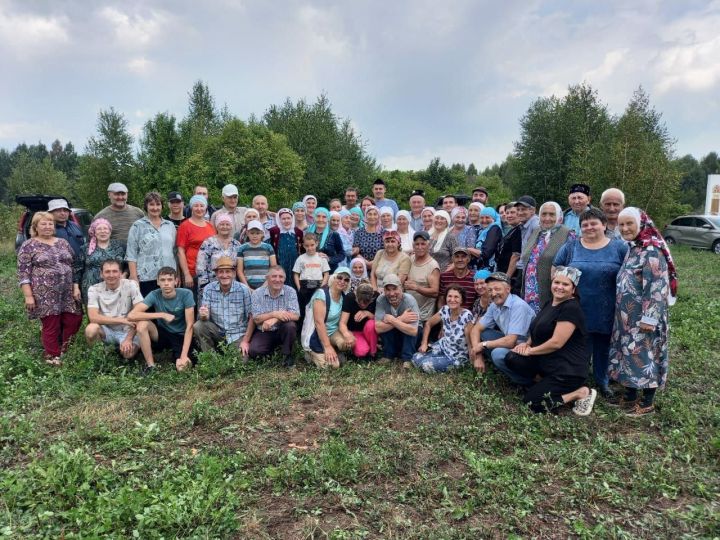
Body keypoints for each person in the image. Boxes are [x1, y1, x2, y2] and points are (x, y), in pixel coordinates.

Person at [608, 208, 677, 417]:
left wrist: (650, 318)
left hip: (643, 318)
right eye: (621, 225)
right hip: (627, 317)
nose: (625, 228)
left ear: (641, 224)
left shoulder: (651, 250)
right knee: (628, 353)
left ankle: (647, 401)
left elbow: (656, 288)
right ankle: (629, 395)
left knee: (646, 356)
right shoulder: (634, 247)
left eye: (629, 223)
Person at [553, 207, 628, 398]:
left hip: (607, 307)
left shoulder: (619, 247)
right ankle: (578, 380)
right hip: (577, 307)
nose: (589, 227)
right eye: (584, 224)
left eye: (593, 223)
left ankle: (602, 381)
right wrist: (561, 292)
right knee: (577, 345)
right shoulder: (571, 247)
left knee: (603, 346)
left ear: (604, 225)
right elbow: (556, 268)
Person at [505, 266, 597, 415]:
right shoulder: (550, 303)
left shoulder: (571, 308)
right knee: (513, 358)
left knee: (531, 402)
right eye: (557, 282)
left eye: (565, 284)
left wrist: (531, 351)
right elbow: (537, 329)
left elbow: (556, 343)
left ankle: (579, 393)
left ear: (573, 289)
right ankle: (543, 384)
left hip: (567, 370)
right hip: (547, 363)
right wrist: (526, 344)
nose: (559, 287)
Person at [17, 211, 83, 364]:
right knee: (51, 324)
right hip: (44, 293)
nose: (47, 227)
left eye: (50, 224)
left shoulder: (62, 242)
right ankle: (53, 356)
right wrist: (28, 296)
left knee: (75, 318)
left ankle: (65, 348)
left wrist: (75, 287)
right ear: (35, 227)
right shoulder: (29, 245)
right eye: (43, 224)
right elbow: (23, 273)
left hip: (67, 291)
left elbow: (73, 265)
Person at [469, 272, 535, 382]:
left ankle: (526, 382)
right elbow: (476, 328)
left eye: (497, 289)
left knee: (497, 353)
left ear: (508, 289)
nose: (493, 293)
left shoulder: (518, 305)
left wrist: (483, 345)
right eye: (490, 290)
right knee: (483, 333)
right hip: (512, 343)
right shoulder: (494, 305)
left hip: (527, 349)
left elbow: (510, 341)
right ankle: (500, 366)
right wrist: (478, 354)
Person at [128, 267, 196, 372]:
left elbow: (190, 326)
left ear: (176, 281)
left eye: (170, 280)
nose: (166, 283)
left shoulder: (186, 294)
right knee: (142, 324)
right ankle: (151, 366)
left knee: (183, 368)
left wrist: (183, 356)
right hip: (163, 333)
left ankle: (181, 357)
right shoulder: (154, 294)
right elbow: (131, 315)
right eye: (163, 280)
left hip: (181, 335)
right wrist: (162, 315)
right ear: (158, 282)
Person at [85, 260, 150, 365]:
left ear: (120, 273)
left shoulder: (131, 285)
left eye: (115, 271)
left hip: (127, 330)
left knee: (128, 355)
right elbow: (93, 317)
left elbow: (140, 313)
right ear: (101, 274)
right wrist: (122, 320)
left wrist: (128, 339)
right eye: (107, 272)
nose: (111, 275)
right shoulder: (94, 289)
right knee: (91, 329)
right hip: (107, 331)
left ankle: (123, 348)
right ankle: (100, 356)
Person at [520, 201, 574, 313]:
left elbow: (571, 266)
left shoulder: (567, 234)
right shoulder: (537, 232)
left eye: (552, 214)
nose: (547, 218)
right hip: (529, 291)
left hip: (552, 293)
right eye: (544, 214)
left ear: (559, 216)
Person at [194, 256, 253, 355]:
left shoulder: (243, 290)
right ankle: (211, 357)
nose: (224, 275)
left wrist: (246, 340)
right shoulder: (209, 289)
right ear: (216, 274)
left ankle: (228, 351)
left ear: (233, 273)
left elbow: (252, 317)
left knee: (241, 362)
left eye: (228, 271)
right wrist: (204, 315)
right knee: (198, 325)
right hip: (217, 331)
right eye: (221, 272)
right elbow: (205, 316)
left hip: (237, 334)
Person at [412, 286, 474, 373]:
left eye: (456, 297)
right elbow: (428, 324)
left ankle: (437, 360)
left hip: (457, 356)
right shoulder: (445, 309)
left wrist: (473, 364)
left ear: (462, 300)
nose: (452, 299)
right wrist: (424, 343)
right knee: (415, 357)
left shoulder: (467, 316)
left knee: (425, 365)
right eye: (449, 296)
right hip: (444, 347)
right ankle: (434, 357)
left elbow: (471, 343)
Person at [126, 192, 177, 297]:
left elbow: (174, 252)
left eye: (158, 204)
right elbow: (131, 254)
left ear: (162, 206)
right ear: (146, 206)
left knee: (167, 310)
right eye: (151, 204)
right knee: (149, 310)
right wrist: (134, 276)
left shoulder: (170, 225)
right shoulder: (137, 226)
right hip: (146, 278)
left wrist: (177, 275)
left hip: (168, 277)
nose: (155, 208)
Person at [247, 266, 300, 367]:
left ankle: (287, 355)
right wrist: (274, 314)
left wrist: (275, 319)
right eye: (274, 276)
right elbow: (256, 318)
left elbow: (296, 315)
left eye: (281, 277)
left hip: (282, 330)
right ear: (267, 278)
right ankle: (274, 350)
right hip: (264, 331)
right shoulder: (257, 293)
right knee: (254, 351)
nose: (277, 279)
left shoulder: (290, 291)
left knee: (290, 326)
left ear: (284, 279)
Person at [308, 267, 354, 368]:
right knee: (334, 366)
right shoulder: (321, 294)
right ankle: (311, 353)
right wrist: (327, 346)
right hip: (317, 334)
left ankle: (334, 350)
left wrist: (347, 335)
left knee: (349, 342)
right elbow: (319, 323)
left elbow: (343, 322)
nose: (342, 281)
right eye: (339, 277)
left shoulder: (344, 296)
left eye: (346, 279)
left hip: (333, 332)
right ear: (333, 278)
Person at [375, 274, 420, 366]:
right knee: (385, 326)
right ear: (384, 290)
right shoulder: (381, 299)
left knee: (408, 328)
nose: (391, 294)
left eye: (394, 289)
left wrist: (393, 320)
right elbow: (378, 328)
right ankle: (388, 355)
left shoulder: (409, 300)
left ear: (401, 288)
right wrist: (401, 319)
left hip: (412, 333)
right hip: (395, 330)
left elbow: (413, 331)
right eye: (388, 289)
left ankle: (408, 358)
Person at [176, 195, 216, 293]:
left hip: (209, 272)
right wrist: (186, 274)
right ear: (191, 207)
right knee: (192, 305)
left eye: (202, 206)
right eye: (196, 206)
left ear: (206, 208)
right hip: (192, 273)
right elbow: (180, 251)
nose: (199, 209)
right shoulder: (185, 226)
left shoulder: (210, 226)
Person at [81, 218, 126, 303]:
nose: (103, 231)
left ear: (110, 231)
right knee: (95, 312)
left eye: (105, 228)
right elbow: (78, 268)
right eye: (99, 229)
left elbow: (127, 264)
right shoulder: (85, 248)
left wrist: (124, 275)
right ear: (94, 232)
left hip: (116, 284)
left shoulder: (120, 246)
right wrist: (76, 287)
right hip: (91, 286)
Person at [404, 231, 440, 334]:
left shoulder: (432, 265)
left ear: (428, 245)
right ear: (413, 245)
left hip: (423, 316)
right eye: (417, 244)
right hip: (407, 311)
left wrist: (417, 288)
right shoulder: (410, 259)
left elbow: (435, 292)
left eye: (423, 244)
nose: (420, 247)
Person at [196, 213, 242, 295]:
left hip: (232, 288)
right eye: (221, 224)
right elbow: (201, 266)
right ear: (217, 226)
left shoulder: (237, 244)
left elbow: (240, 267)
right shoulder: (208, 243)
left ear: (231, 226)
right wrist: (205, 287)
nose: (225, 227)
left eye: (227, 224)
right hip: (210, 287)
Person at [93, 182, 145, 248]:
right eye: (116, 194)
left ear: (127, 195)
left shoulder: (138, 213)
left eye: (123, 194)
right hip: (113, 257)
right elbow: (94, 242)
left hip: (137, 256)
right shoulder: (100, 217)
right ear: (109, 195)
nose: (120, 197)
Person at [293, 232, 330, 323]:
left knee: (317, 307)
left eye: (312, 245)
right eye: (307, 246)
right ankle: (302, 327)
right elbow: (296, 274)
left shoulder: (321, 257)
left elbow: (326, 273)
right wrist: (299, 287)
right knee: (304, 307)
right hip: (304, 285)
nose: (310, 248)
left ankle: (317, 327)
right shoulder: (301, 258)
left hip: (318, 285)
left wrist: (323, 286)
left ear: (316, 244)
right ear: (303, 245)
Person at [339, 282, 378, 361]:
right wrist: (347, 335)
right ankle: (365, 347)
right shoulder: (350, 297)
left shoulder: (376, 297)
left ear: (371, 299)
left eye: (366, 303)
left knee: (372, 324)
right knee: (361, 352)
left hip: (368, 330)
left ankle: (373, 352)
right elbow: (342, 323)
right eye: (360, 302)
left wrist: (367, 313)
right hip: (354, 331)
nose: (363, 305)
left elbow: (380, 320)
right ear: (356, 296)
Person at [269, 208, 304, 287]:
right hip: (280, 264)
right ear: (279, 220)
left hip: (295, 265)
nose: (286, 221)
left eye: (288, 218)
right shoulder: (274, 231)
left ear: (292, 219)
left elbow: (302, 249)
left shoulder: (298, 232)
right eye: (283, 219)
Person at [237, 220, 277, 290]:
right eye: (252, 233)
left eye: (258, 233)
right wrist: (247, 288)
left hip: (266, 285)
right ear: (247, 233)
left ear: (262, 233)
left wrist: (264, 286)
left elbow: (273, 268)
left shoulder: (268, 247)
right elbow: (239, 270)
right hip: (248, 286)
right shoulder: (242, 248)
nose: (254, 236)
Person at [514, 196, 540, 293]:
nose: (520, 212)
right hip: (524, 265)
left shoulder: (536, 224)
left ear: (532, 210)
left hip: (530, 268)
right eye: (518, 209)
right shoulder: (524, 224)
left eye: (523, 209)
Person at [307, 208, 346, 273]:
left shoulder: (334, 235)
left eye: (324, 217)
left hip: (329, 271)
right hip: (310, 271)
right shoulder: (307, 233)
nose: (321, 219)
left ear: (328, 219)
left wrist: (329, 259)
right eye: (318, 216)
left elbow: (342, 254)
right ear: (314, 218)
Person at [494, 203, 522, 286]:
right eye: (507, 213)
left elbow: (516, 256)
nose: (509, 215)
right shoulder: (513, 230)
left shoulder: (519, 231)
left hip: (511, 277)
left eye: (512, 212)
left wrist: (507, 278)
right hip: (502, 272)